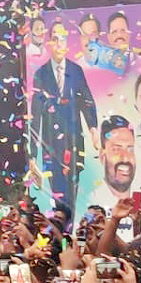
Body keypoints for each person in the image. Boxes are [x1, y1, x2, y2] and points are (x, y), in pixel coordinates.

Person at [30, 22, 99, 206]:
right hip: (51, 145)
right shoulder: (41, 74)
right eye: (55, 39)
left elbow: (87, 100)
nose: (59, 43)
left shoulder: (76, 71)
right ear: (49, 43)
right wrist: (31, 155)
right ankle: (60, 229)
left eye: (63, 39)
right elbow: (35, 115)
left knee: (72, 194)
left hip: (74, 142)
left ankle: (69, 231)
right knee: (59, 197)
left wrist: (93, 128)